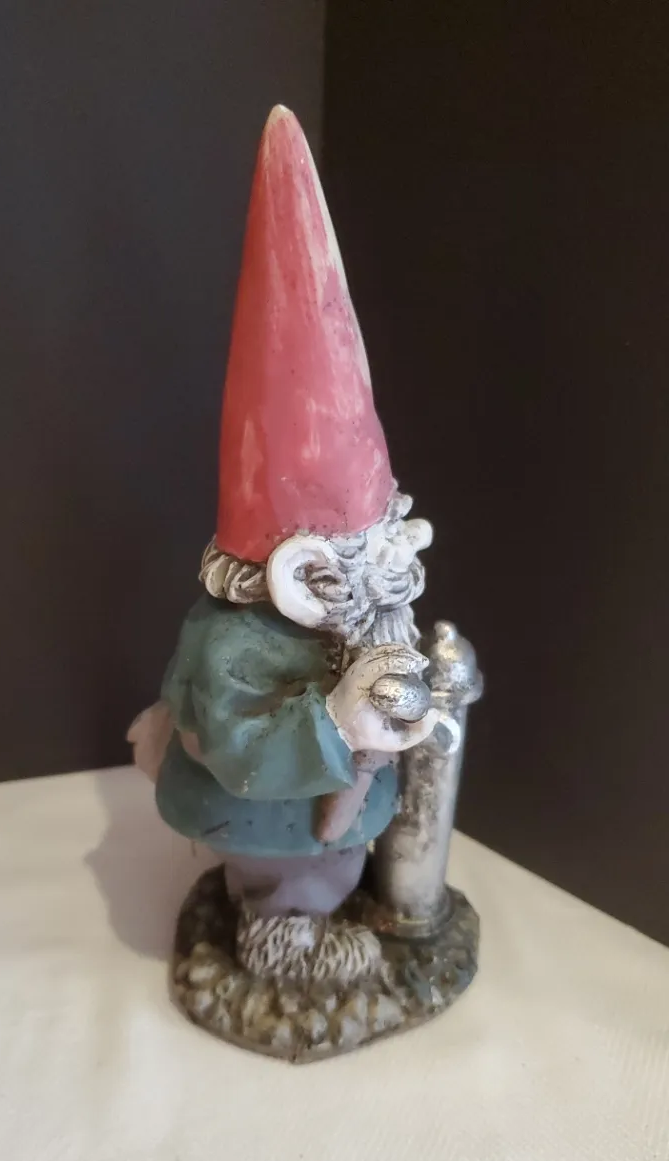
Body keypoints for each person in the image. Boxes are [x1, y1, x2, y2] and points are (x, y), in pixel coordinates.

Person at [129, 107, 459, 983]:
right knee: (302, 878)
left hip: (331, 814)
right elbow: (239, 749)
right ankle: (280, 936)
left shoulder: (364, 617)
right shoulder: (231, 643)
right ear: (308, 573)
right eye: (374, 550)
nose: (400, 560)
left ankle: (319, 897)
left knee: (342, 860)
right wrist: (340, 722)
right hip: (267, 826)